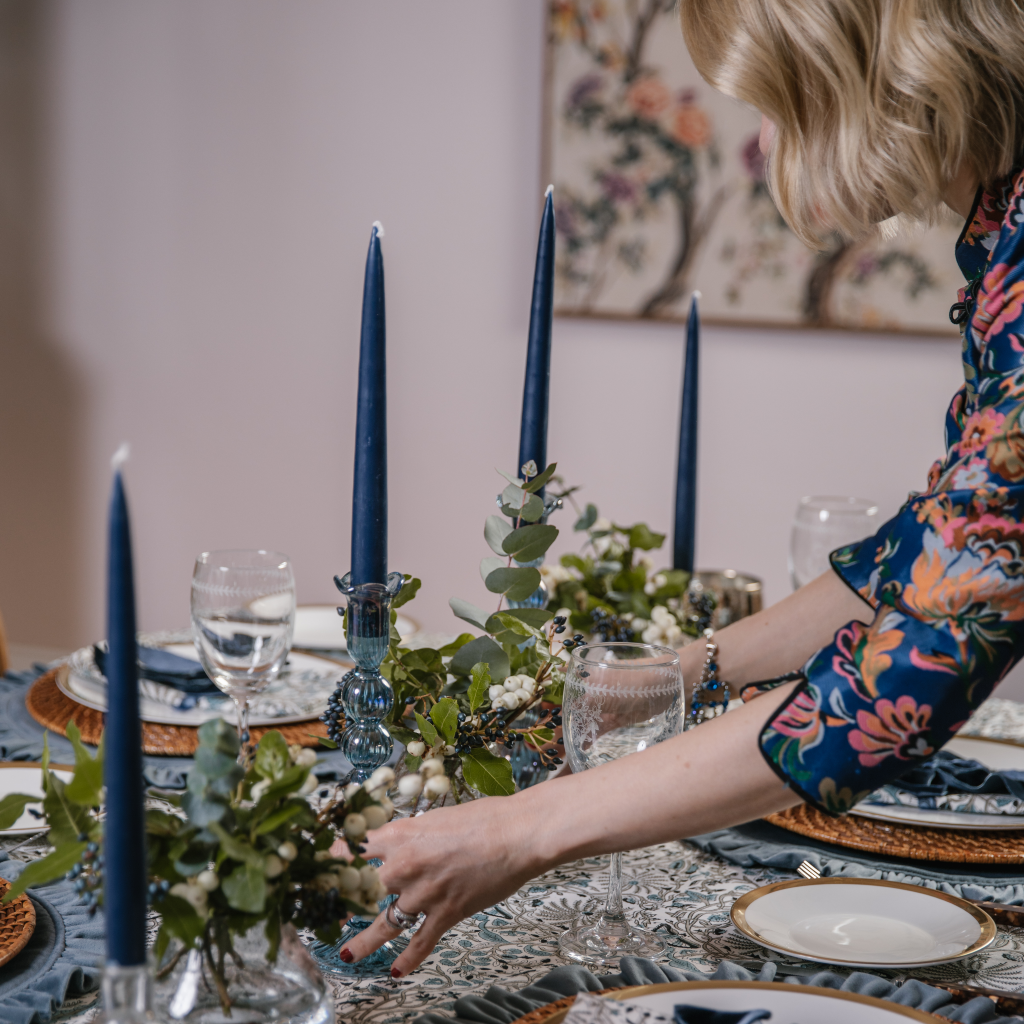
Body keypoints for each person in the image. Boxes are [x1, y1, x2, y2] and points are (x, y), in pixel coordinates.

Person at [338, 0, 1024, 978]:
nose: (772, 146)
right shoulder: (1006, 225)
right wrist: (682, 670)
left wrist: (521, 831)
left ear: (878, 77)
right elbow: (945, 544)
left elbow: (907, 665)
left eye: (787, 108)